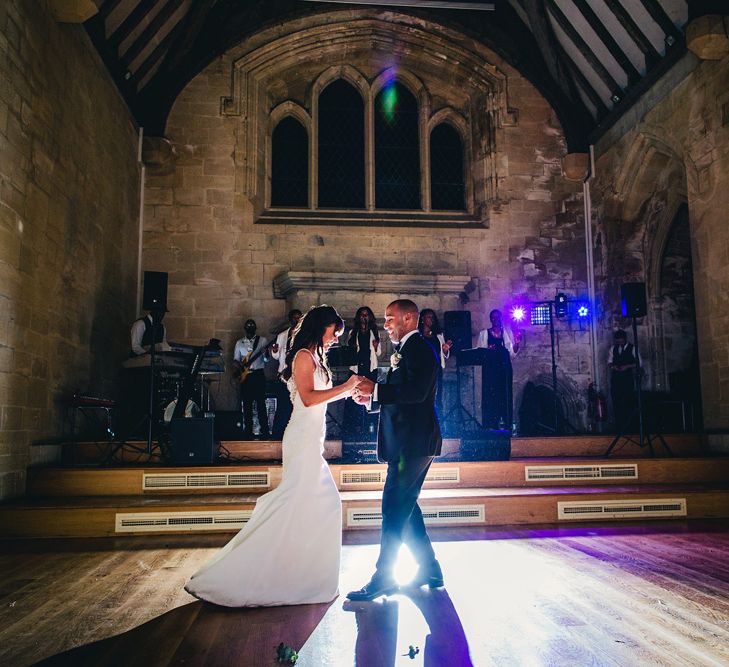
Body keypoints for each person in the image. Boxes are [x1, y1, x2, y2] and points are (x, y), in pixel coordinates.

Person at [185, 305, 364, 607]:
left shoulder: (316, 357)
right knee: (320, 504)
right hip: (302, 440)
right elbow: (308, 399)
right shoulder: (303, 357)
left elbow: (319, 397)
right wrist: (345, 386)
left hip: (312, 440)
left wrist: (350, 392)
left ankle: (303, 576)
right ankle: (251, 574)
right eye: (335, 332)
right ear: (321, 327)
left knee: (313, 507)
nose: (336, 339)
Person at [348, 299, 443, 601]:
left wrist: (376, 390)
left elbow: (417, 393)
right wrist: (373, 401)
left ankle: (384, 576)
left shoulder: (422, 350)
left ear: (408, 318)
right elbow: (402, 395)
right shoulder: (406, 351)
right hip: (408, 442)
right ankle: (430, 569)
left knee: (392, 508)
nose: (385, 324)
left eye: (390, 318)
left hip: (413, 444)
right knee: (407, 508)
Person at [476, 309, 521, 429]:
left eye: (498, 317)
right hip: (490, 370)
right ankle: (490, 424)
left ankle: (506, 423)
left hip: (504, 369)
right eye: (494, 317)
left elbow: (513, 353)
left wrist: (517, 343)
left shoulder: (506, 333)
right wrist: (487, 351)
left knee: (505, 395)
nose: (496, 319)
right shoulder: (484, 334)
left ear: (501, 318)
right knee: (490, 396)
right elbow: (479, 353)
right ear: (491, 319)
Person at [233, 319, 270, 439]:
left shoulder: (263, 341)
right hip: (246, 377)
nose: (250, 329)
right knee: (247, 405)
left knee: (261, 404)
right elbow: (235, 360)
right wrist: (241, 368)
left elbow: (266, 360)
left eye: (252, 327)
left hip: (258, 375)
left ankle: (265, 432)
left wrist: (265, 354)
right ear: (245, 328)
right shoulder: (239, 343)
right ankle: (248, 432)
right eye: (248, 327)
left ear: (255, 328)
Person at [270, 309, 303, 438]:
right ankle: (278, 435)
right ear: (290, 320)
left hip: (297, 376)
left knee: (296, 406)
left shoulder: (304, 335)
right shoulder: (282, 335)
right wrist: (274, 351)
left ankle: (295, 435)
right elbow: (277, 356)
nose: (297, 320)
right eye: (294, 318)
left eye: (299, 318)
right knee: (282, 406)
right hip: (283, 375)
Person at [418, 309, 452, 413]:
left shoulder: (438, 335)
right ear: (422, 319)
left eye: (433, 317)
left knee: (437, 396)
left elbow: (443, 355)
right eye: (429, 317)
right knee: (423, 396)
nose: (431, 319)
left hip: (436, 370)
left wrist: (445, 350)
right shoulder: (418, 335)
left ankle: (438, 422)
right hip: (422, 370)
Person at [608, 329, 638, 432]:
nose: (619, 343)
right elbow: (609, 362)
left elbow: (639, 363)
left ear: (624, 339)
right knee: (617, 402)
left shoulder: (633, 348)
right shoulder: (613, 348)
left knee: (628, 401)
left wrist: (628, 366)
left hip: (627, 379)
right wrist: (614, 367)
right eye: (618, 341)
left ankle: (629, 426)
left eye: (621, 341)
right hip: (616, 379)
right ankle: (619, 426)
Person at [348, 306, 381, 382]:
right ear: (359, 317)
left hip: (370, 366)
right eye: (362, 315)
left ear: (370, 317)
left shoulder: (375, 332)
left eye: (366, 315)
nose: (364, 317)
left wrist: (376, 347)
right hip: (357, 366)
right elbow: (349, 352)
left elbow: (378, 353)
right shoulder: (352, 332)